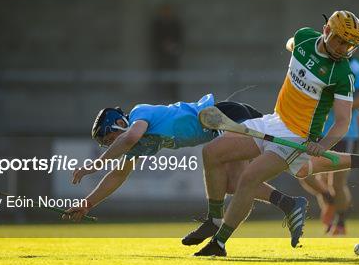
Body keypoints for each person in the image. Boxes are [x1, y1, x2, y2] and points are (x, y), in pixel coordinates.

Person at [191, 10, 359, 257]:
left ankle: (219, 243)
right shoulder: (304, 38)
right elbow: (294, 44)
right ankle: (214, 219)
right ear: (326, 31)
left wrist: (323, 144)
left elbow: (342, 121)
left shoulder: (341, 74)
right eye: (340, 40)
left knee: (248, 179)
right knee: (212, 152)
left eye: (349, 44)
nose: (343, 48)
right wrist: (293, 48)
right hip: (273, 121)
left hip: (296, 137)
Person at [62, 94, 308, 242]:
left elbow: (128, 138)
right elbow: (117, 175)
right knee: (234, 183)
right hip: (222, 126)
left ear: (119, 123)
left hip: (224, 115)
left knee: (239, 178)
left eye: (108, 140)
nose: (111, 145)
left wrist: (93, 165)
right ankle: (289, 203)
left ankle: (217, 220)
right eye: (106, 145)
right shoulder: (136, 146)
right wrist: (88, 203)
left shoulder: (139, 114)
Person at [299, 56, 359, 235]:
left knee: (337, 182)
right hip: (317, 131)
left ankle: (340, 223)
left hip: (345, 134)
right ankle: (328, 199)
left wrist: (348, 107)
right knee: (304, 172)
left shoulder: (356, 66)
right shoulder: (318, 59)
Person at [149, 3, 184, 102]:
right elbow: (153, 39)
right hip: (160, 55)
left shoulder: (175, 23)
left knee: (173, 76)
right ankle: (158, 97)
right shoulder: (157, 24)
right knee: (160, 76)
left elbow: (180, 38)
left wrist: (173, 46)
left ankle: (174, 97)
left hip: (173, 55)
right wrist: (162, 46)